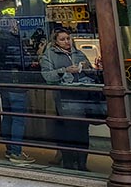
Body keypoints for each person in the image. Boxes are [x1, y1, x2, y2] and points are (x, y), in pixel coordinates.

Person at [40, 28, 100, 171]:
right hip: (65, 97)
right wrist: (65, 71)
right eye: (62, 39)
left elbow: (91, 72)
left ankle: (82, 164)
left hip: (83, 96)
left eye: (68, 38)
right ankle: (69, 164)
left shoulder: (78, 53)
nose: (67, 42)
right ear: (55, 41)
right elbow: (47, 76)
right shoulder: (49, 55)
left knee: (83, 131)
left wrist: (91, 69)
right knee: (69, 131)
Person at [0, 19, 35, 165]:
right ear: (11, 26)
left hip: (2, 83)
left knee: (7, 116)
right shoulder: (14, 41)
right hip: (16, 83)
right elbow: (23, 61)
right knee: (18, 119)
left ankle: (9, 149)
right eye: (15, 24)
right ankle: (16, 152)